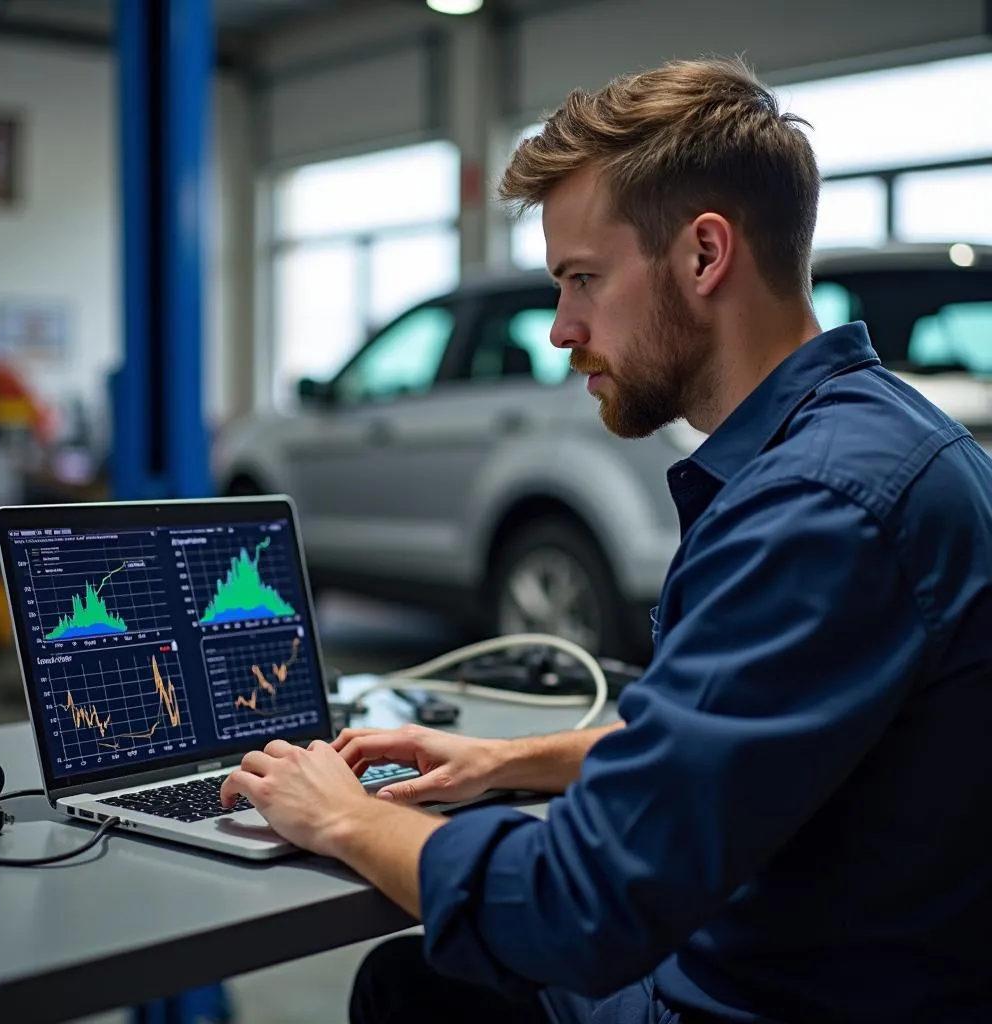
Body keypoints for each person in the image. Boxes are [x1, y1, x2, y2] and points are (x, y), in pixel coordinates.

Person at [220, 55, 992, 1023]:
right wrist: (507, 762)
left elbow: (580, 905)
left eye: (582, 279)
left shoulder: (820, 505)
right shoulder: (875, 441)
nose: (560, 328)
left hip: (767, 999)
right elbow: (734, 735)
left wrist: (341, 813)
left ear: (704, 255)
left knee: (413, 988)